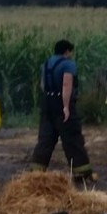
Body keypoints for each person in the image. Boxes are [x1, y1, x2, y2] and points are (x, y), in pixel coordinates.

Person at [30, 39, 97, 186]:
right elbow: (66, 84)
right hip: (61, 103)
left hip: (47, 102)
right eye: (70, 52)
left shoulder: (47, 63)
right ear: (67, 51)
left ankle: (36, 172)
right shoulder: (68, 64)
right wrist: (65, 107)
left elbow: (42, 85)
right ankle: (82, 173)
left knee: (46, 139)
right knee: (72, 138)